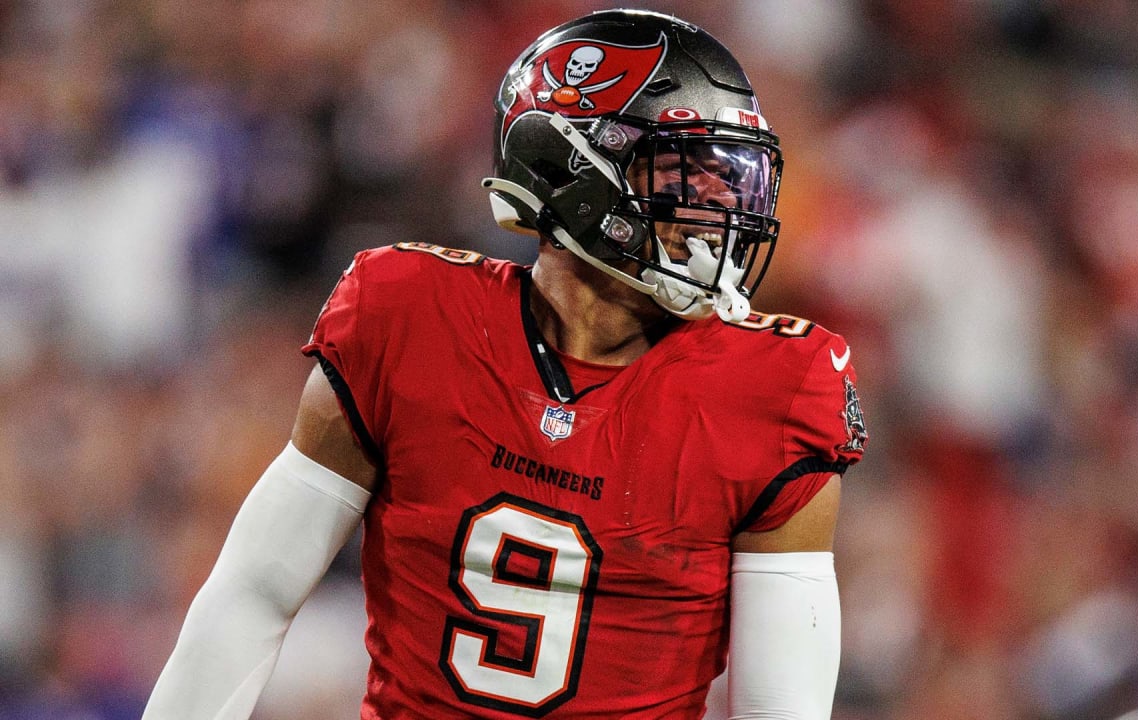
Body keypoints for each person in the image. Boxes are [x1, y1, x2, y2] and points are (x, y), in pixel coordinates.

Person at [143, 8, 867, 719]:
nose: (715, 209)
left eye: (727, 179)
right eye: (684, 175)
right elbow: (254, 592)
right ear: (569, 167)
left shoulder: (775, 388)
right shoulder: (409, 317)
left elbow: (781, 708)